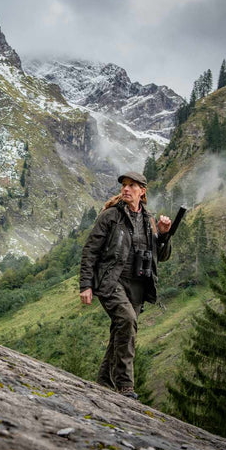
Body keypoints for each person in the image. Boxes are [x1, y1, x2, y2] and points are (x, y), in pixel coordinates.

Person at [79, 171, 172, 399]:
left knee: (122, 330)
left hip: (139, 285)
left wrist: (163, 235)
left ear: (142, 191)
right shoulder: (111, 216)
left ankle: (104, 380)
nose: (126, 189)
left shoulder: (149, 220)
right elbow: (91, 250)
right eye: (124, 185)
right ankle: (125, 385)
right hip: (112, 281)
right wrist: (86, 285)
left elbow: (163, 255)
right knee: (127, 320)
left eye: (132, 186)